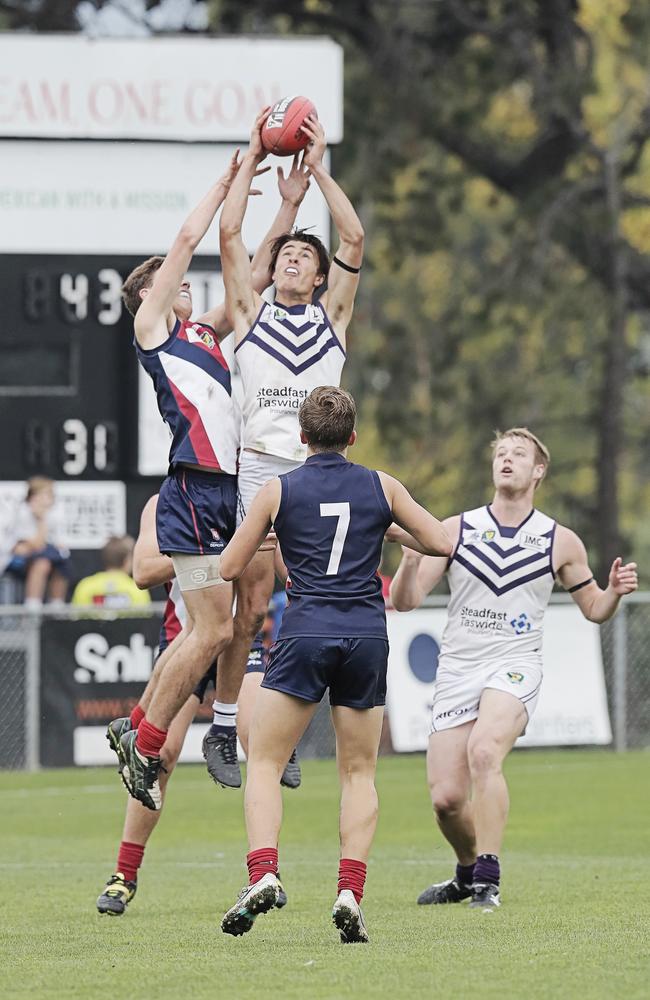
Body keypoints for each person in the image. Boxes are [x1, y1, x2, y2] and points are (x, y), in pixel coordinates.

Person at [218, 387, 452, 943]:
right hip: (366, 635)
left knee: (266, 763)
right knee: (359, 772)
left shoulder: (279, 489)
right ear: (352, 437)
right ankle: (349, 889)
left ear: (302, 437)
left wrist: (272, 535)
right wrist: (388, 528)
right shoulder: (380, 485)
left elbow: (230, 565)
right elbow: (440, 540)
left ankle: (264, 873)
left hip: (306, 633)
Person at [117, 153, 309, 807]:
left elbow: (252, 275)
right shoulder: (153, 331)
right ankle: (146, 745)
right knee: (210, 630)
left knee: (226, 626)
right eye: (173, 284)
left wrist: (284, 205)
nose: (187, 285)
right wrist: (230, 181)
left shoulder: (200, 334)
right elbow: (186, 241)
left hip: (224, 494)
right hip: (196, 492)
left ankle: (139, 730)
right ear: (152, 295)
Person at [389, 427, 639, 912]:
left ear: (538, 470)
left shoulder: (560, 541)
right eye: (501, 453)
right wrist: (408, 560)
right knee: (445, 800)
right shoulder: (455, 530)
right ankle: (465, 873)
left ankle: (488, 878)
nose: (507, 459)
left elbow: (593, 609)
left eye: (519, 454)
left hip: (515, 665)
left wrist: (612, 592)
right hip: (459, 668)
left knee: (485, 752)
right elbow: (406, 602)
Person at [211, 107, 365, 790]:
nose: (296, 257)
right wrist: (250, 160)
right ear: (273, 270)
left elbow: (355, 235)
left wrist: (319, 169)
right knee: (250, 605)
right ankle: (222, 724)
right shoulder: (250, 314)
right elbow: (231, 232)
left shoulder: (333, 321)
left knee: (306, 613)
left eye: (307, 254)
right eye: (288, 253)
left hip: (319, 472)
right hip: (261, 471)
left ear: (321, 275)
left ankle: (278, 727)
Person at [97, 495, 288, 913]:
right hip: (185, 640)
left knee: (262, 744)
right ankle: (124, 874)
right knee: (159, 755)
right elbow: (144, 571)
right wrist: (216, 548)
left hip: (240, 644)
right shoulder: (162, 503)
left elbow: (285, 569)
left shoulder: (252, 495)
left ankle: (265, 871)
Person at [6, 477, 71, 608]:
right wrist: (41, 520)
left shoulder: (56, 514)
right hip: (18, 561)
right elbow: (35, 545)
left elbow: (61, 546)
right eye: (42, 495)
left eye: (49, 495)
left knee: (62, 564)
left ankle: (56, 608)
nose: (46, 499)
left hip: (46, 557)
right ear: (32, 497)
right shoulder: (22, 513)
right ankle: (33, 608)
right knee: (42, 563)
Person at [71, 535, 150, 609]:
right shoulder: (137, 590)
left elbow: (74, 620)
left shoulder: (85, 586)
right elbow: (144, 620)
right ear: (126, 561)